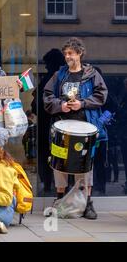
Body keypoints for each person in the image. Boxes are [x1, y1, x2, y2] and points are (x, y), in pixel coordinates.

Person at [43, 37, 108, 219]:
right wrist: (60, 105)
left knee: (85, 165)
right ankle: (59, 200)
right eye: (65, 54)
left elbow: (102, 96)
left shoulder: (92, 74)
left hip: (85, 126)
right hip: (62, 127)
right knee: (59, 164)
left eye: (70, 53)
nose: (67, 57)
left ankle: (87, 203)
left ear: (79, 53)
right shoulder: (59, 75)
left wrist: (83, 103)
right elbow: (47, 97)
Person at [33, 49, 66, 195]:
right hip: (52, 123)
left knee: (53, 154)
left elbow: (36, 105)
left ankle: (50, 185)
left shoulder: (53, 79)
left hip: (52, 123)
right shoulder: (56, 78)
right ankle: (52, 185)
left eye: (47, 64)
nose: (46, 67)